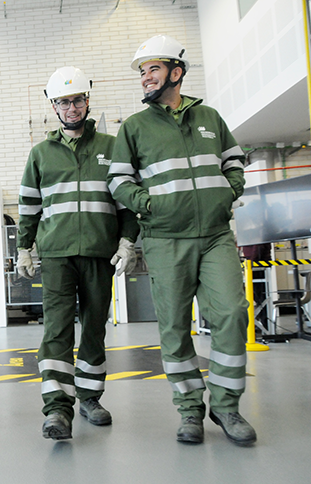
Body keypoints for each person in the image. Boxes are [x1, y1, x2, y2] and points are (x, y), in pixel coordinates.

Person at [107, 35, 257, 446]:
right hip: (165, 238)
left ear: (176, 72)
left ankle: (226, 406)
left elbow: (234, 162)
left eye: (152, 69)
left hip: (215, 236)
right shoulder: (135, 127)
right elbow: (118, 180)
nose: (145, 78)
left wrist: (228, 192)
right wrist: (149, 205)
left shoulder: (209, 117)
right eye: (142, 72)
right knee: (174, 327)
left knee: (231, 314)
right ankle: (190, 409)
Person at [17, 66, 139, 440]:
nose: (71, 108)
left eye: (77, 100)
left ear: (87, 101)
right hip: (56, 254)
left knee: (94, 327)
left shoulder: (112, 147)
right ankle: (57, 408)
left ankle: (90, 398)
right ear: (54, 106)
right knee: (56, 329)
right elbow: (28, 207)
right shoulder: (41, 154)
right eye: (63, 102)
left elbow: (126, 203)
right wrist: (24, 247)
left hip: (100, 253)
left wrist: (128, 240)